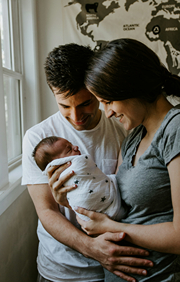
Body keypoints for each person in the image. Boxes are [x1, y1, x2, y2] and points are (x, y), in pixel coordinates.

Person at [22, 43, 153, 282]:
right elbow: (47, 211)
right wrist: (91, 248)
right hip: (60, 270)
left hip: (116, 266)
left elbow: (130, 196)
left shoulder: (124, 128)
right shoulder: (38, 139)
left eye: (85, 103)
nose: (75, 116)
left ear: (97, 89)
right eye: (64, 106)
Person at [72, 38, 180, 281]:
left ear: (132, 87)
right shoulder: (133, 137)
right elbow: (118, 207)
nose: (108, 112)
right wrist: (70, 196)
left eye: (109, 101)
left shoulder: (175, 129)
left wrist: (112, 228)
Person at [32, 136, 126, 221]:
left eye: (71, 144)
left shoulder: (120, 132)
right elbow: (46, 211)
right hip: (84, 225)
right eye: (69, 150)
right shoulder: (34, 135)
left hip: (93, 219)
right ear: (59, 162)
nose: (76, 147)